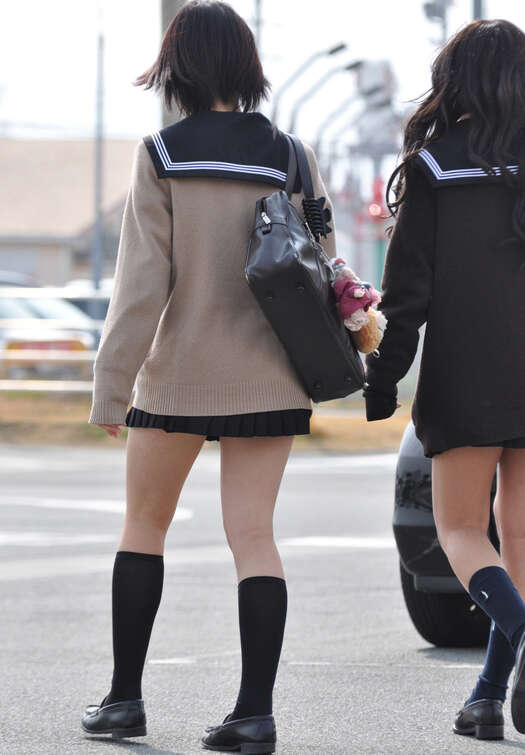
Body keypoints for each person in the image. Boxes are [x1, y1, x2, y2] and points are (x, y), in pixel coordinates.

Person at [80, 2, 336, 752]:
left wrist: (111, 385)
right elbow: (325, 265)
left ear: (178, 68)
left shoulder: (162, 153)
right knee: (254, 536)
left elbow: (141, 286)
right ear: (246, 67)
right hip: (272, 375)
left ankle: (124, 700)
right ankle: (254, 713)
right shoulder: (292, 155)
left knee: (144, 526)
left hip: (179, 376)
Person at [364, 19, 525, 742]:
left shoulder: (433, 166)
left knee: (460, 529)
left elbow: (406, 298)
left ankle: (517, 641)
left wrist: (382, 379)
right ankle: (488, 694)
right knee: (519, 542)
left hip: (466, 373)